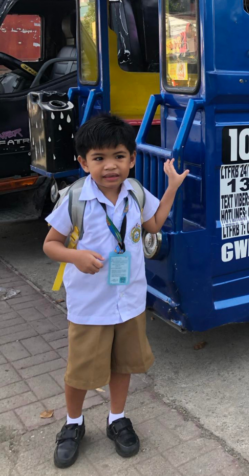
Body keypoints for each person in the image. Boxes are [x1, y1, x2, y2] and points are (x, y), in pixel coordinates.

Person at [42, 113, 188, 468]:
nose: (111, 166)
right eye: (99, 158)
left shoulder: (135, 193)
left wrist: (171, 188)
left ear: (132, 159)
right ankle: (73, 423)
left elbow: (153, 224)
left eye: (119, 156)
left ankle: (116, 417)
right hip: (90, 305)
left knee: (122, 364)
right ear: (83, 162)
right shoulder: (76, 198)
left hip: (130, 301)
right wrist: (74, 256)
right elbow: (50, 244)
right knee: (81, 371)